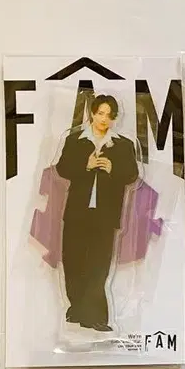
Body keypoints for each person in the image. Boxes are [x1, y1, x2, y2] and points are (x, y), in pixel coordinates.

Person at [55, 95, 139, 331]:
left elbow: (132, 175)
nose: (104, 119)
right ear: (92, 113)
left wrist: (113, 168)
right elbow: (62, 168)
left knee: (99, 264)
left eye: (109, 115)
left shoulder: (123, 145)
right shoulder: (75, 141)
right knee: (73, 261)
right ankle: (77, 308)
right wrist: (86, 165)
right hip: (77, 213)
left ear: (114, 118)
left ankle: (96, 317)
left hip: (105, 215)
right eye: (100, 113)